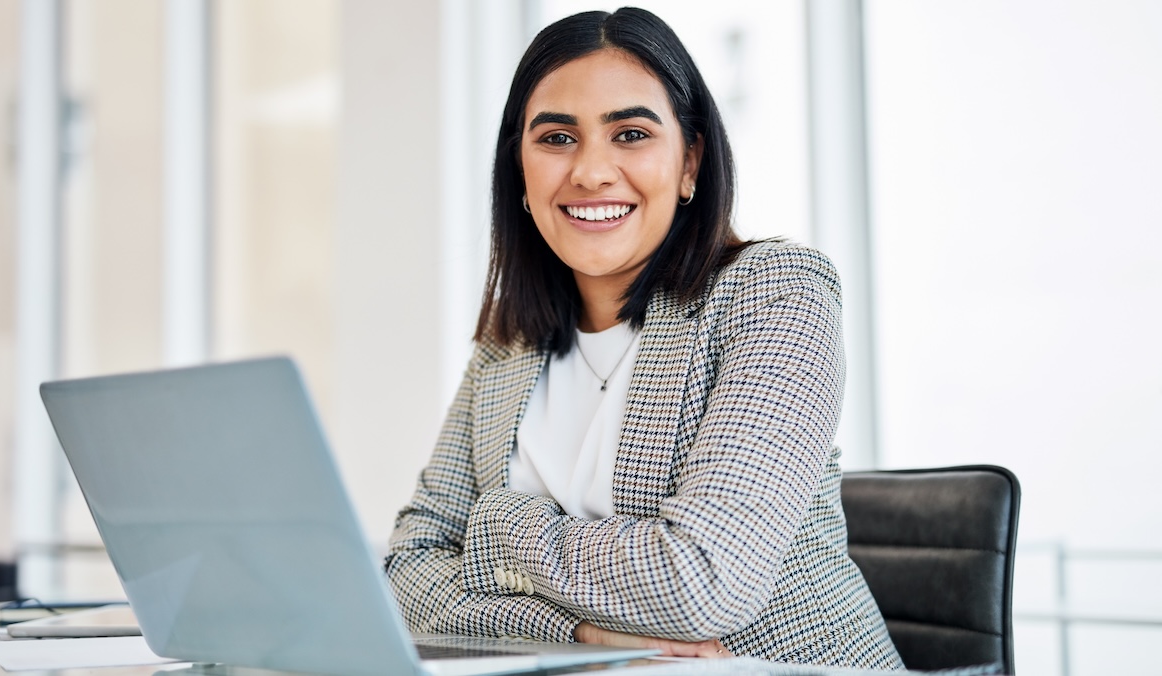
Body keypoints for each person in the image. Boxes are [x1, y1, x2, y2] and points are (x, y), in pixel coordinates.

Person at [385, 7, 903, 669]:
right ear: (519, 171)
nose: (592, 172)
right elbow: (405, 576)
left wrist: (499, 528)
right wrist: (577, 637)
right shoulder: (507, 343)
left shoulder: (774, 292)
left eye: (630, 133)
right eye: (556, 138)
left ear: (690, 162)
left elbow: (700, 584)